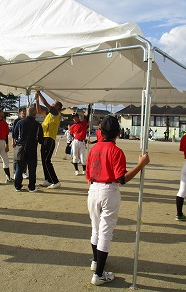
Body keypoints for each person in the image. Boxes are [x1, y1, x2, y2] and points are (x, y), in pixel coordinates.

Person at [86, 115, 150, 286]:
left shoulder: (93, 149)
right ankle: (99, 275)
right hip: (109, 190)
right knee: (105, 231)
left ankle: (96, 262)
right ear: (118, 133)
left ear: (100, 131)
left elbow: (88, 175)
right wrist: (141, 165)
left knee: (96, 228)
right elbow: (121, 179)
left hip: (93, 189)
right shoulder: (116, 151)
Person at [35, 90, 63, 189]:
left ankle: (55, 181)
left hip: (50, 140)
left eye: (53, 104)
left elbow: (46, 104)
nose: (52, 104)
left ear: (57, 107)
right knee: (43, 160)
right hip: (45, 139)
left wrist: (39, 93)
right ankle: (48, 179)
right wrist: (37, 100)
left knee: (47, 161)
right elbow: (39, 111)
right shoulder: (49, 115)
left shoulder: (56, 113)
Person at [12, 107, 43, 192]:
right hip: (32, 149)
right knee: (32, 169)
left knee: (19, 168)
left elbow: (15, 134)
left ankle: (17, 186)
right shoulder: (38, 125)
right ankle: (31, 187)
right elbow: (41, 139)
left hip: (20, 148)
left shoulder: (20, 122)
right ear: (35, 114)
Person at [69, 109, 90, 175]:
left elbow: (87, 116)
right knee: (75, 156)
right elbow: (71, 133)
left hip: (82, 142)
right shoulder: (72, 126)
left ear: (78, 117)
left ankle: (84, 170)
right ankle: (76, 170)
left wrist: (87, 109)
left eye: (75, 117)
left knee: (83, 157)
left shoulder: (83, 123)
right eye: (73, 118)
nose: (74, 119)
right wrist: (74, 137)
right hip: (75, 142)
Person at [12, 107, 28, 179]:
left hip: (26, 142)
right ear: (20, 113)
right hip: (18, 142)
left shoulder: (27, 121)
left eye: (25, 112)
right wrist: (13, 141)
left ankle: (24, 172)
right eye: (23, 112)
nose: (24, 113)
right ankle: (15, 172)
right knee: (16, 158)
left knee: (25, 158)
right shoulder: (16, 121)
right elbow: (13, 132)